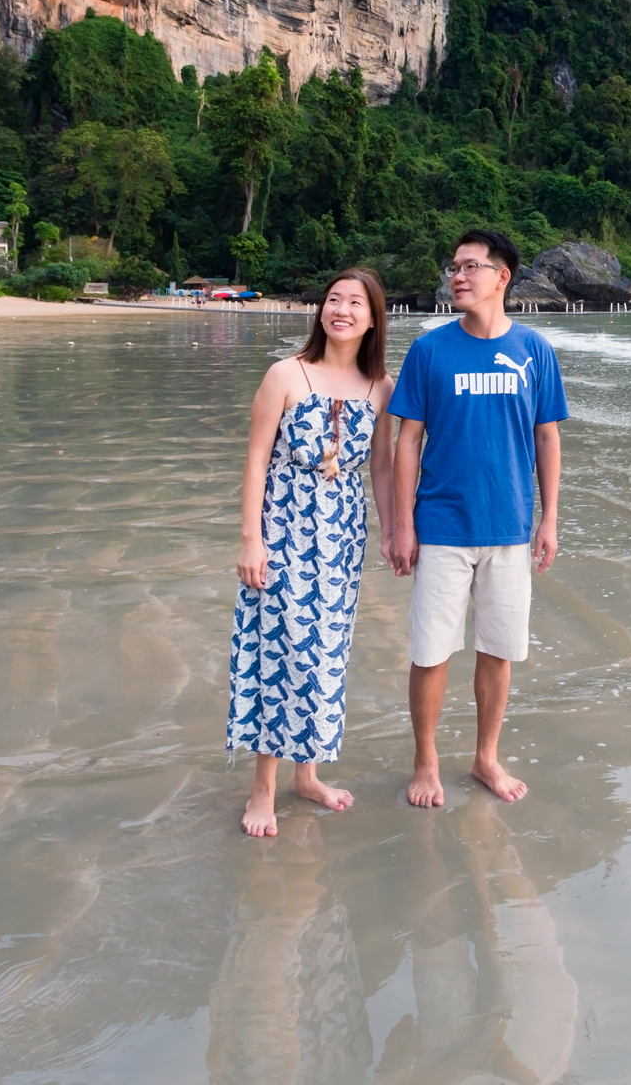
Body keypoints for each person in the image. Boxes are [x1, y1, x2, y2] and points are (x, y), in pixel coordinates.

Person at [388, 229, 566, 806]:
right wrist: (403, 522)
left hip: (511, 527)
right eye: (454, 267)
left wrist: (549, 519)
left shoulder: (534, 350)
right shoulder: (430, 350)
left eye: (470, 267)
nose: (456, 276)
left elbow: (547, 437)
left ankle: (486, 758)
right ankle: (426, 761)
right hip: (441, 526)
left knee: (498, 648)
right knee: (431, 651)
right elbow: (407, 439)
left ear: (501, 277)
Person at [228, 266, 397, 835]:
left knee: (324, 653)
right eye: (332, 300)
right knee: (277, 653)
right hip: (283, 529)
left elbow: (380, 468)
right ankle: (263, 788)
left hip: (342, 537)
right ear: (320, 310)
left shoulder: (381, 388)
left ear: (373, 318)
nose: (340, 310)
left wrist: (396, 529)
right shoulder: (286, 373)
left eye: (354, 303)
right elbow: (255, 459)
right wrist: (252, 538)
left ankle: (308, 773)